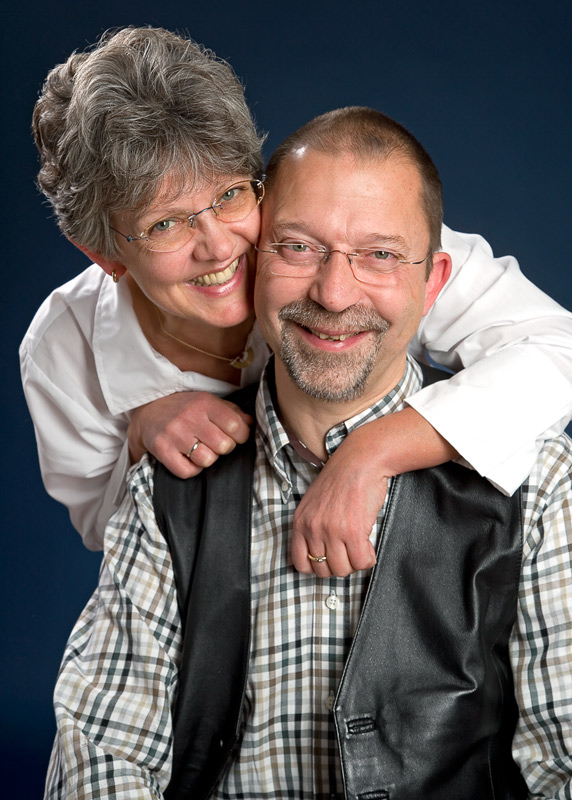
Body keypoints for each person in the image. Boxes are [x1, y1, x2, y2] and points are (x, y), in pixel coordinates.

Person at [45, 107, 572, 799]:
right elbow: (102, 752)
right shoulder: (156, 483)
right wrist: (144, 418)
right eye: (298, 248)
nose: (333, 292)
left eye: (380, 255)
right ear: (256, 259)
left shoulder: (539, 485)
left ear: (434, 280)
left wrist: (369, 451)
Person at [20, 27, 572, 575]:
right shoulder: (62, 350)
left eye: (229, 195)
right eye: (165, 224)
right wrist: (140, 438)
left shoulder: (355, 236)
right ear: (103, 254)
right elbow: (108, 532)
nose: (219, 247)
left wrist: (374, 450)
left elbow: (557, 349)